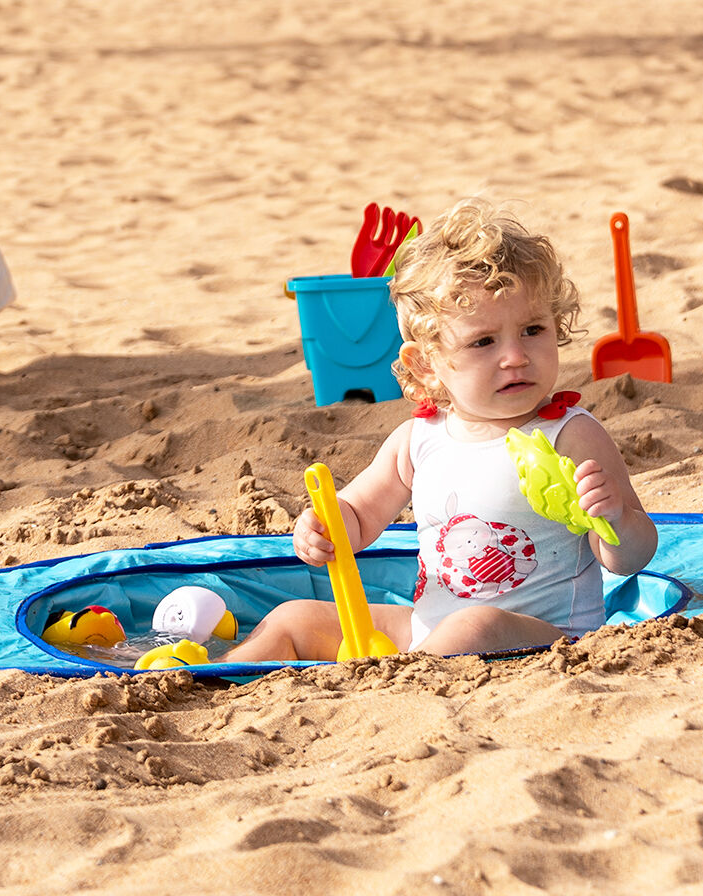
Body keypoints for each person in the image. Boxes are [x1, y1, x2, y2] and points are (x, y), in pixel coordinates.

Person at [224, 197, 658, 663]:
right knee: (292, 617)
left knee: (475, 621)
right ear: (426, 365)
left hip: (544, 637)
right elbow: (359, 515)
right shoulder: (421, 438)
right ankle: (208, 680)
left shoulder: (571, 435)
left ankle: (397, 681)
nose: (515, 356)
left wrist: (615, 519)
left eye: (533, 329)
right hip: (425, 632)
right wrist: (324, 528)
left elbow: (632, 557)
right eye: (484, 341)